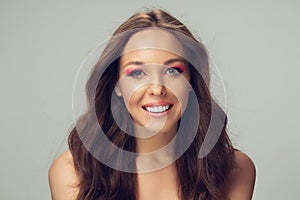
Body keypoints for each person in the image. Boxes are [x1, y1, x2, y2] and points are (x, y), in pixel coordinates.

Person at [48, 8, 256, 200]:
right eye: (137, 73)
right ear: (116, 86)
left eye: (173, 71)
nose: (157, 88)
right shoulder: (72, 173)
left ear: (192, 81)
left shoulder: (236, 170)